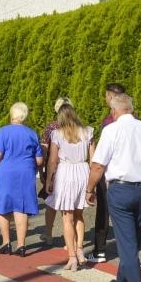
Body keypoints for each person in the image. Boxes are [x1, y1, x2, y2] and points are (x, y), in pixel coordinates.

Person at [86, 92, 141, 282]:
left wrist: (89, 189)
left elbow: (98, 165)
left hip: (121, 189)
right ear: (131, 108)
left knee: (127, 244)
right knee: (133, 238)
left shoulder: (111, 130)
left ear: (114, 110)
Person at [44, 102, 95, 270]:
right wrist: (92, 183)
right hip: (83, 171)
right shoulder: (88, 132)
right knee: (79, 214)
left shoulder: (57, 134)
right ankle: (80, 249)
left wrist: (48, 180)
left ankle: (72, 256)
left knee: (67, 217)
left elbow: (52, 160)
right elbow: (93, 159)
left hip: (65, 172)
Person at [0, 102, 44, 255]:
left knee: (3, 206)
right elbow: (39, 160)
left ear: (12, 114)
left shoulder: (4, 131)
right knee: (21, 208)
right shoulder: (32, 133)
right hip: (26, 173)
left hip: (7, 172)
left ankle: (6, 242)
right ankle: (21, 245)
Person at [39, 97, 72, 248]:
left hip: (55, 170)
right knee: (70, 206)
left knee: (51, 203)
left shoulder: (52, 127)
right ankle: (70, 240)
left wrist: (41, 170)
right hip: (72, 169)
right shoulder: (78, 127)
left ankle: (48, 234)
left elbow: (44, 150)